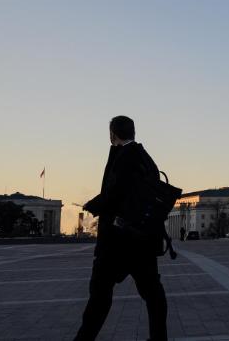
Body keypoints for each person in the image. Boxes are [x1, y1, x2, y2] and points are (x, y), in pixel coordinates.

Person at [75, 116, 168, 340]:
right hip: (143, 239)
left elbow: (116, 191)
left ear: (112, 134)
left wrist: (93, 204)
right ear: (133, 132)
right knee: (153, 292)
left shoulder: (125, 156)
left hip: (119, 241)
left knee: (99, 294)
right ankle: (159, 337)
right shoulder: (146, 158)